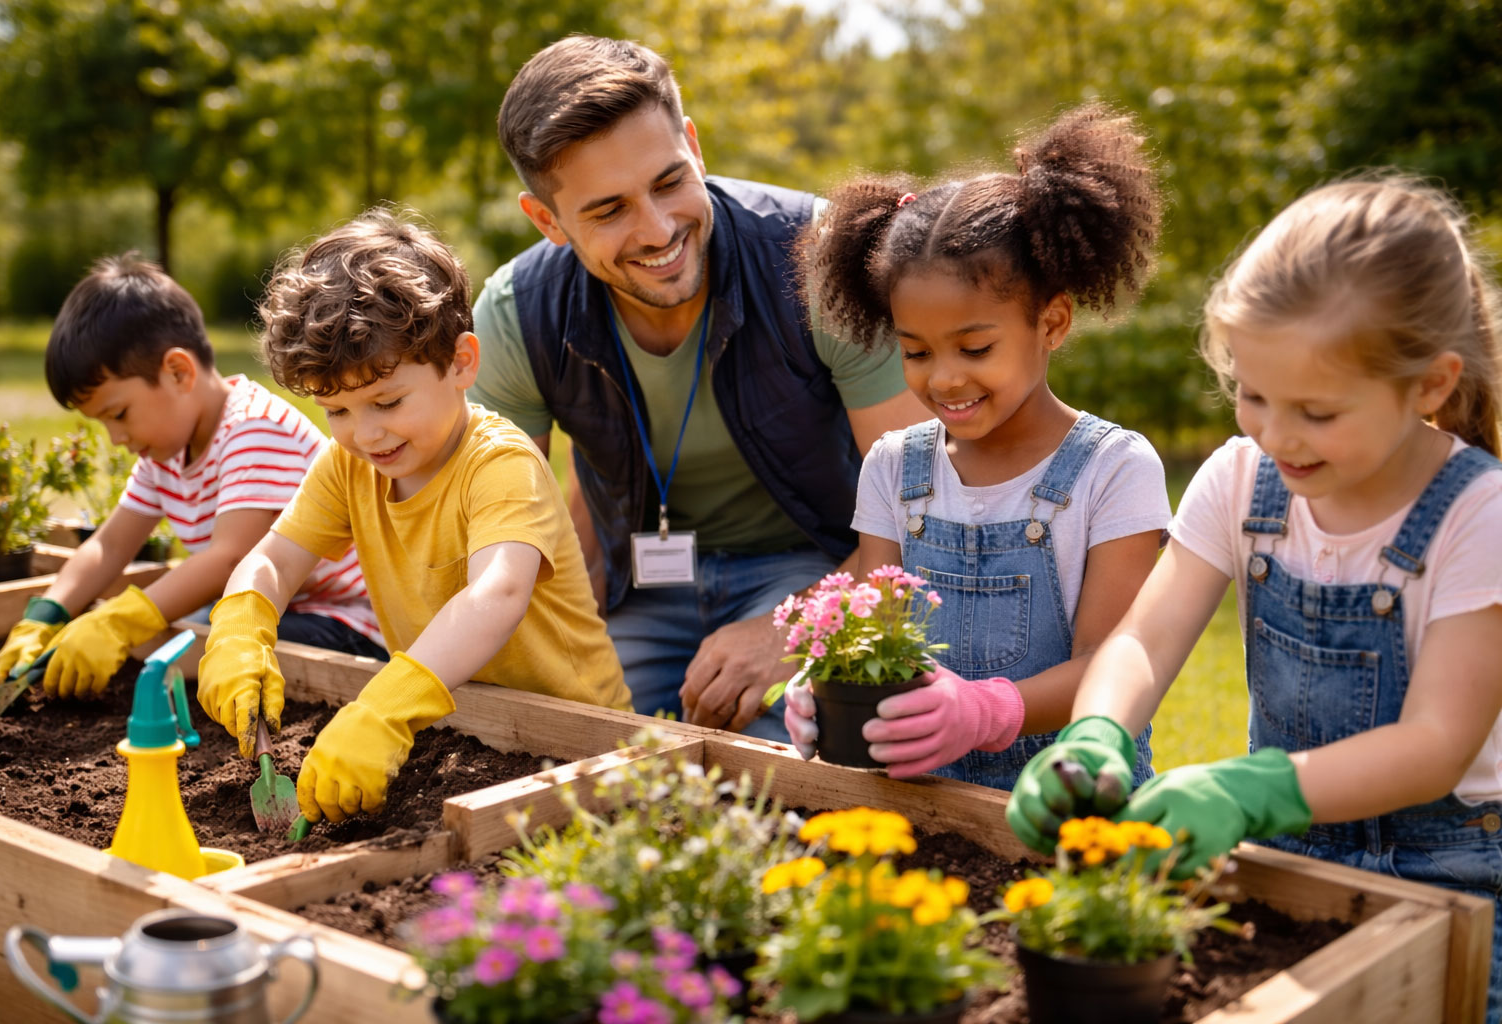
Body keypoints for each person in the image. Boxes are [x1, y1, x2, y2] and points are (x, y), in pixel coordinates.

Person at [1007, 178, 1502, 1019]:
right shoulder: (1242, 480)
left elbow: (1436, 745)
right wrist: (1097, 733)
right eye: (1253, 395)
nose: (1275, 434)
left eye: (1317, 411)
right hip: (1282, 860)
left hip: (1451, 875)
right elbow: (1143, 640)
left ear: (1429, 384)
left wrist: (1247, 790)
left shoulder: (1478, 514)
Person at [469, 35, 920, 741]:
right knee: (563, 747)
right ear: (547, 221)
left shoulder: (819, 260)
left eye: (668, 181)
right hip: (636, 583)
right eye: (609, 210)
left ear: (695, 147)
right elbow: (502, 536)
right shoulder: (515, 315)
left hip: (817, 565)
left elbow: (920, 508)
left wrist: (792, 630)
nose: (658, 230)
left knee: (795, 753)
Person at [781, 104, 1172, 789]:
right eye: (916, 352)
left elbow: (1113, 667)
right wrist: (827, 684)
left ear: (1052, 322)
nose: (944, 379)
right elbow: (878, 633)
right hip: (920, 796)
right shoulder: (894, 468)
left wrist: (985, 711)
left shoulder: (1114, 470)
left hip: (1069, 803)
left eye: (975, 348)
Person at [197, 209, 630, 825]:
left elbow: (497, 594)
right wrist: (241, 623)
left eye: (387, 401)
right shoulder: (349, 466)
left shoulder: (500, 464)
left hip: (578, 744)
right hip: (456, 724)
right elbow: (276, 557)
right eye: (337, 410)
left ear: (461, 363)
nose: (365, 433)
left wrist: (384, 709)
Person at [0, 254, 384, 701]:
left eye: (119, 414)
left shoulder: (256, 427)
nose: (116, 438)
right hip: (265, 612)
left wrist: (118, 621)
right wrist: (45, 615)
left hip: (346, 621)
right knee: (176, 644)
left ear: (178, 372)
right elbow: (109, 546)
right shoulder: (166, 453)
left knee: (178, 652)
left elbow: (229, 559)